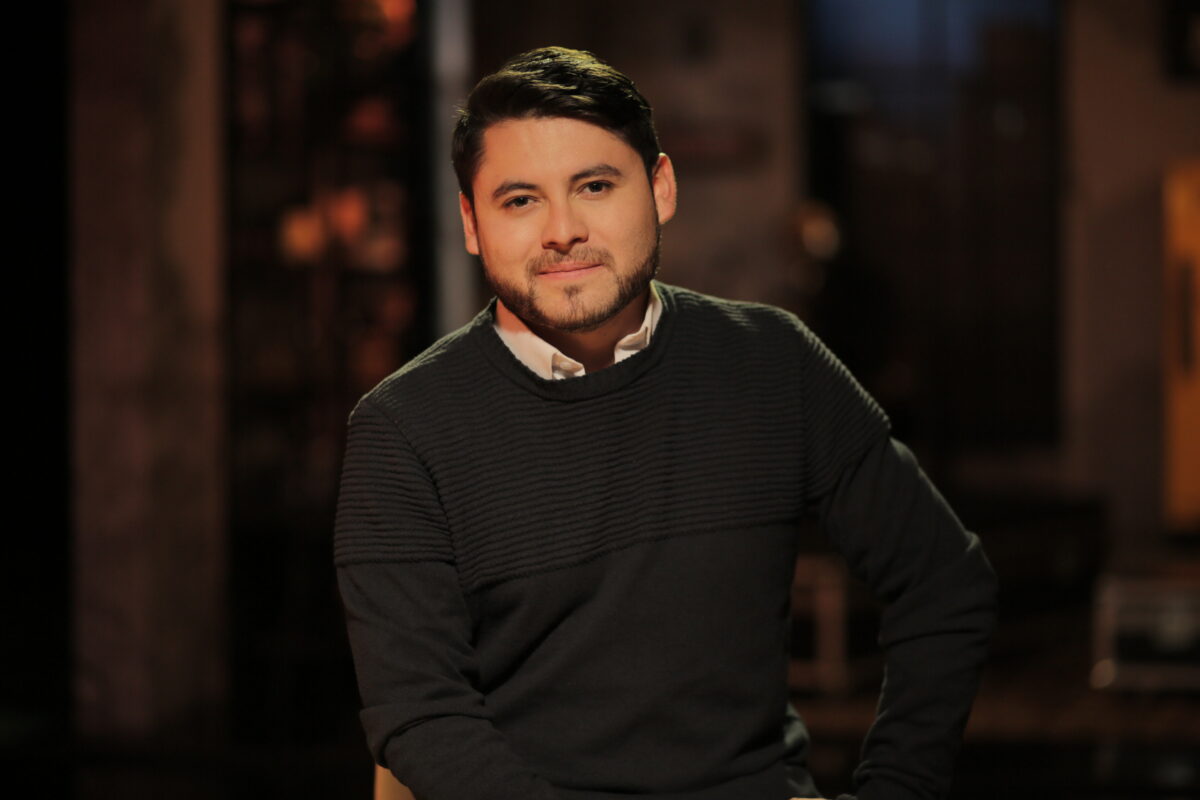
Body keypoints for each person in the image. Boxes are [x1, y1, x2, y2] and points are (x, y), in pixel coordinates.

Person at [334, 46, 997, 800]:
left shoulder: (772, 363)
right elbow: (420, 714)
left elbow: (945, 582)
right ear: (472, 223)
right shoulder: (402, 428)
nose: (561, 231)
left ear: (661, 188)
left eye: (594, 185)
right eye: (520, 200)